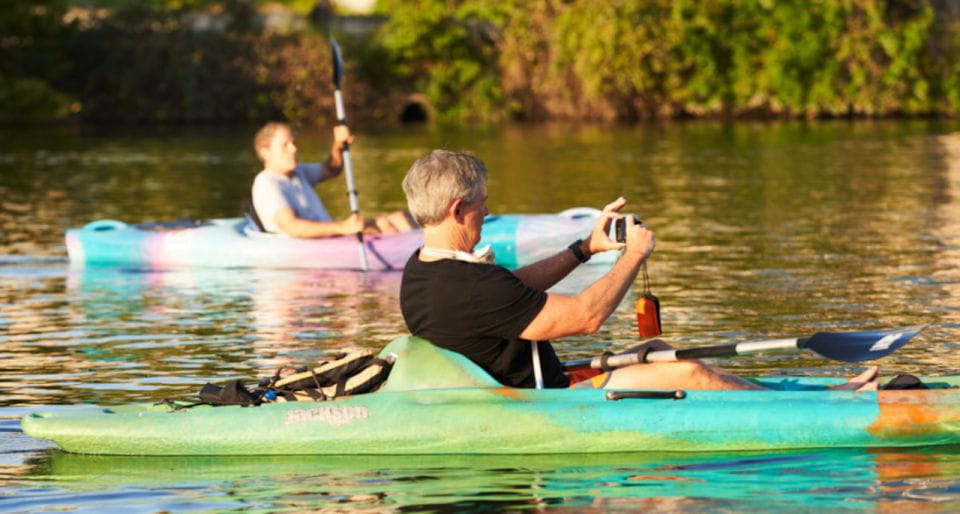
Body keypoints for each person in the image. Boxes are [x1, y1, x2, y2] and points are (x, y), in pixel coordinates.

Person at [399, 150, 879, 391]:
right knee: (686, 370)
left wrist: (586, 247)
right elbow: (587, 317)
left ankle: (787, 394)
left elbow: (512, 290)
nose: (488, 211)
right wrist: (632, 256)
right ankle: (829, 402)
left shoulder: (421, 271)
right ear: (458, 209)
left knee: (658, 349)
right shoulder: (469, 288)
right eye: (483, 205)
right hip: (545, 406)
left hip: (542, 385)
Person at [251, 121, 415, 238]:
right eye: (285, 145)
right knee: (384, 225)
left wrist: (338, 144)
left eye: (293, 143)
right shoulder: (267, 183)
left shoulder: (297, 172)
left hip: (329, 239)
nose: (294, 149)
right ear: (265, 152)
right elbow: (291, 226)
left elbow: (332, 169)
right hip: (307, 248)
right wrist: (343, 227)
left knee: (404, 217)